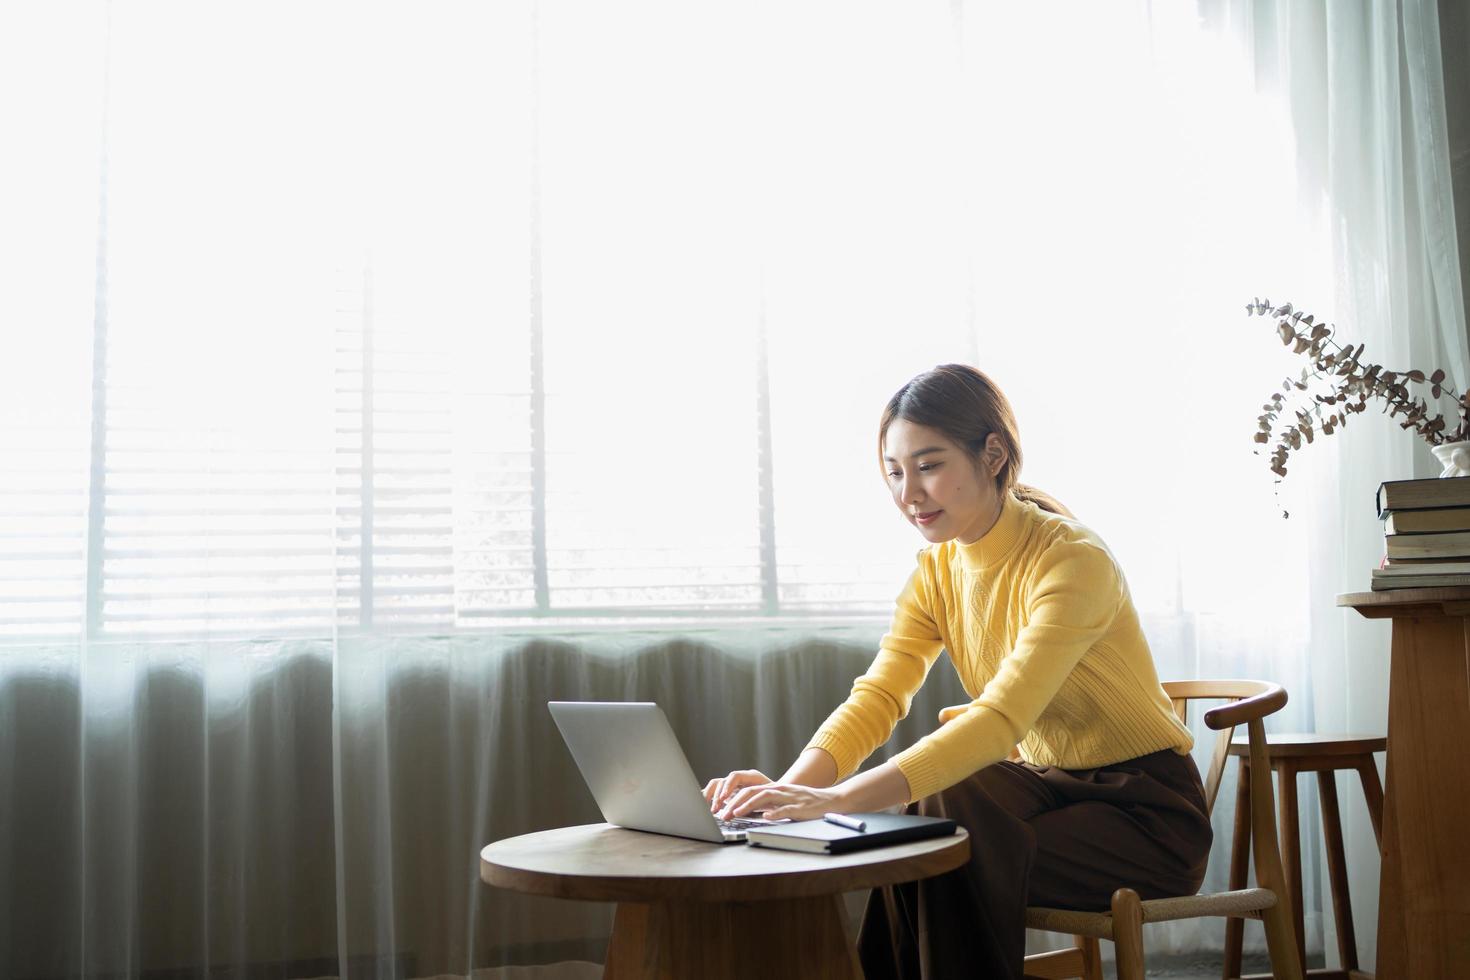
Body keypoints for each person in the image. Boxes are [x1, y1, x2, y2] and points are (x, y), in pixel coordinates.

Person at [702, 363, 1212, 980]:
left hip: (1146, 815)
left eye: (929, 465)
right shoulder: (936, 573)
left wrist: (834, 800)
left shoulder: (1072, 560)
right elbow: (880, 695)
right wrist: (787, 794)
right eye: (893, 472)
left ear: (993, 454)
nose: (909, 494)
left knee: (939, 847)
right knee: (941, 809)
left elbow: (1001, 720)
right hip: (1047, 790)